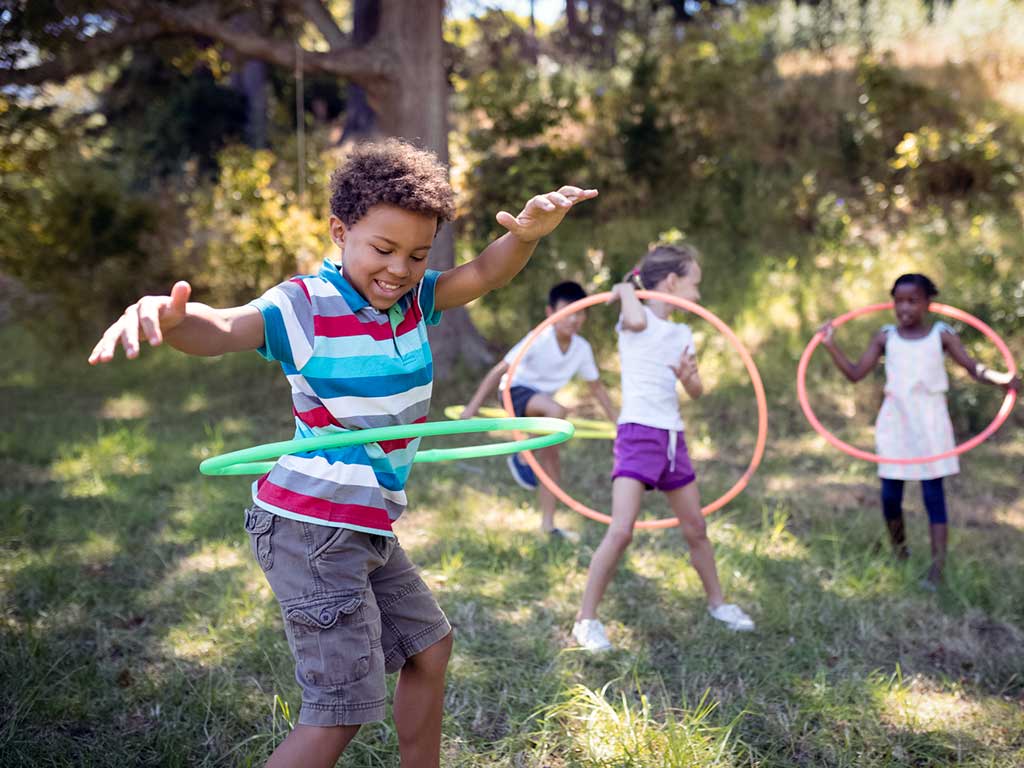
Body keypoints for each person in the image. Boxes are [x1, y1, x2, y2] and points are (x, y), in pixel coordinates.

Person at [88, 138, 597, 768]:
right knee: (342, 709)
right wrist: (168, 320)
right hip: (313, 525)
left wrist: (526, 236)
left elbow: (484, 273)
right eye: (382, 249)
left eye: (417, 254)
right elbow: (221, 329)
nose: (398, 269)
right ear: (340, 231)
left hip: (362, 519)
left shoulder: (414, 302)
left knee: (428, 649)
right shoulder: (303, 304)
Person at [571, 243, 755, 653]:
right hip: (637, 434)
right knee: (621, 531)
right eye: (695, 285)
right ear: (672, 282)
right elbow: (637, 318)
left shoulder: (683, 332)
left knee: (696, 529)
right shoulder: (632, 319)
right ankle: (586, 619)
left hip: (673, 437)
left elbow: (696, 389)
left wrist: (689, 377)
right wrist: (623, 288)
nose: (698, 295)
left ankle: (718, 603)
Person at [820, 273, 1020, 589]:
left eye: (912, 301)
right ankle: (900, 552)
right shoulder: (886, 337)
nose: (905, 308)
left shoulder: (941, 334)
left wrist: (1003, 379)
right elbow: (856, 374)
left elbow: (973, 368)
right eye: (899, 301)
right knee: (889, 496)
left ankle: (938, 568)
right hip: (895, 422)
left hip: (930, 423)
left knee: (932, 495)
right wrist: (830, 344)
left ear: (928, 304)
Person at [461, 281, 617, 540]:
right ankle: (521, 457)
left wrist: (618, 423)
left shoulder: (582, 349)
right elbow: (500, 371)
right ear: (550, 313)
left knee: (552, 463)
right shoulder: (539, 338)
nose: (574, 319)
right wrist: (471, 408)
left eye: (580, 313)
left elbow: (597, 388)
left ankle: (548, 524)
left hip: (541, 405)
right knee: (558, 412)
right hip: (514, 392)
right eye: (567, 312)